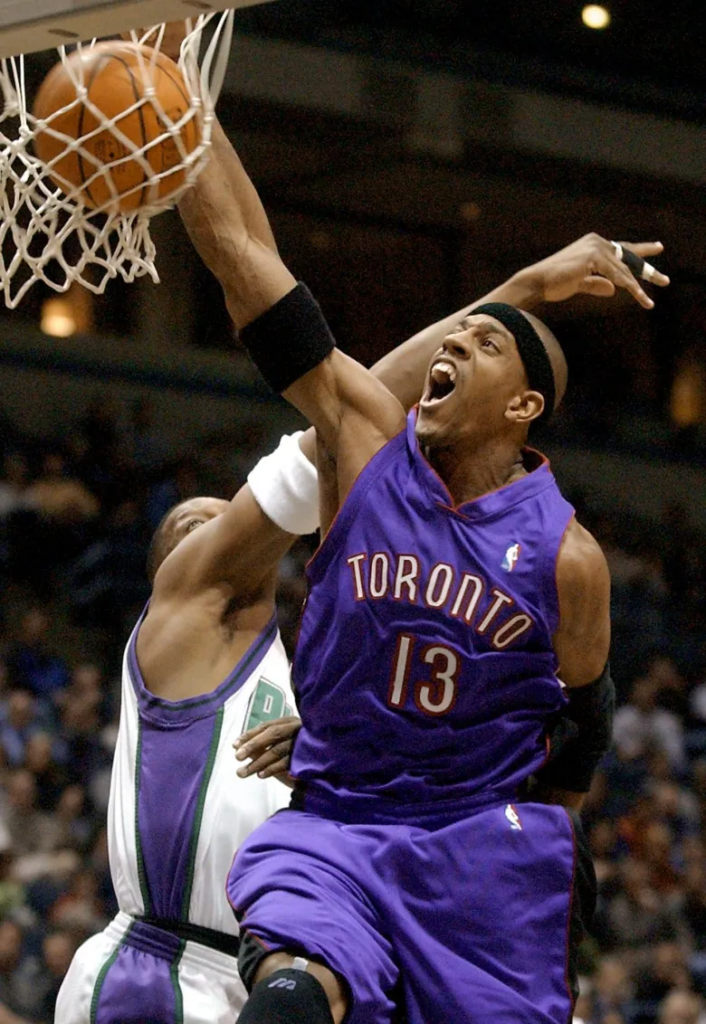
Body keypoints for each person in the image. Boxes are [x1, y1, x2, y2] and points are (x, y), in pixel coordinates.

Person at [173, 115, 669, 1024]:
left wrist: (532, 832)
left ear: (523, 406)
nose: (450, 346)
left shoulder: (568, 557)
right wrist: (179, 123)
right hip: (337, 827)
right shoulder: (365, 449)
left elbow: (582, 727)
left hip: (476, 856)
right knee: (291, 991)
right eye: (454, 336)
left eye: (483, 345)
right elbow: (250, 268)